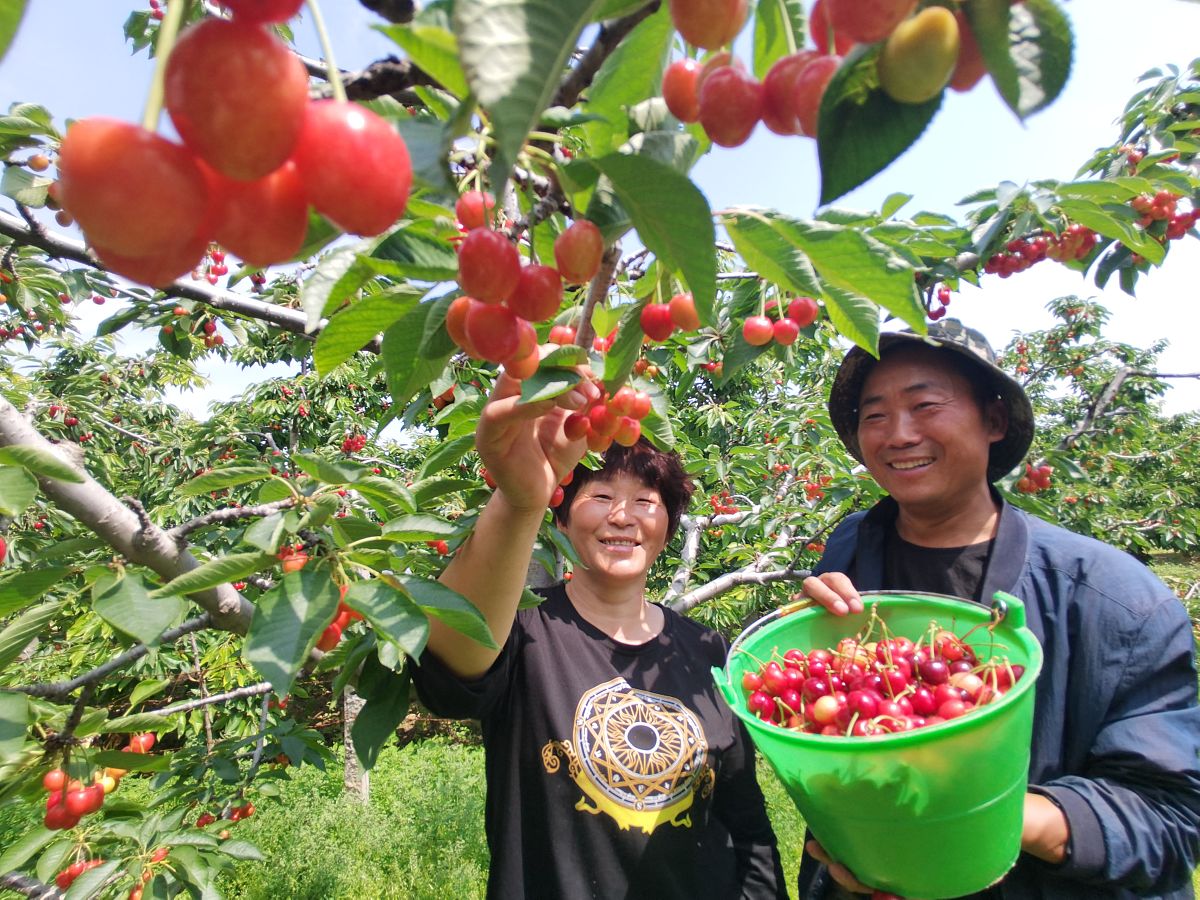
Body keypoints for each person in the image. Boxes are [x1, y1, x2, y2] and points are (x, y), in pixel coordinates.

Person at [795, 318, 1200, 898]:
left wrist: (987, 816)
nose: (898, 434)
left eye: (925, 405)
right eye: (875, 415)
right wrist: (806, 656)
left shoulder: (1117, 601)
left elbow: (1170, 820)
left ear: (994, 420)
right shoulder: (851, 551)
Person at [410, 370, 788, 899]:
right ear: (561, 520)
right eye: (600, 494)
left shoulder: (710, 650)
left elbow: (746, 825)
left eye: (645, 501)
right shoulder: (524, 632)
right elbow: (448, 672)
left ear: (669, 525)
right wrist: (520, 502)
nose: (621, 516)